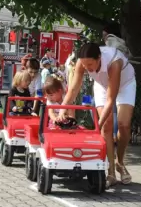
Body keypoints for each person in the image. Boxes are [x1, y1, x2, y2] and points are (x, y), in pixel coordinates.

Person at [58, 42, 136, 188]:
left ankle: (120, 162)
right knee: (106, 127)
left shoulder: (114, 62)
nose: (87, 68)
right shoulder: (82, 63)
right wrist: (63, 109)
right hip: (102, 86)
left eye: (90, 64)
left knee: (123, 125)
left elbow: (110, 100)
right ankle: (111, 172)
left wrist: (96, 127)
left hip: (125, 85)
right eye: (84, 64)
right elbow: (73, 89)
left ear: (99, 57)